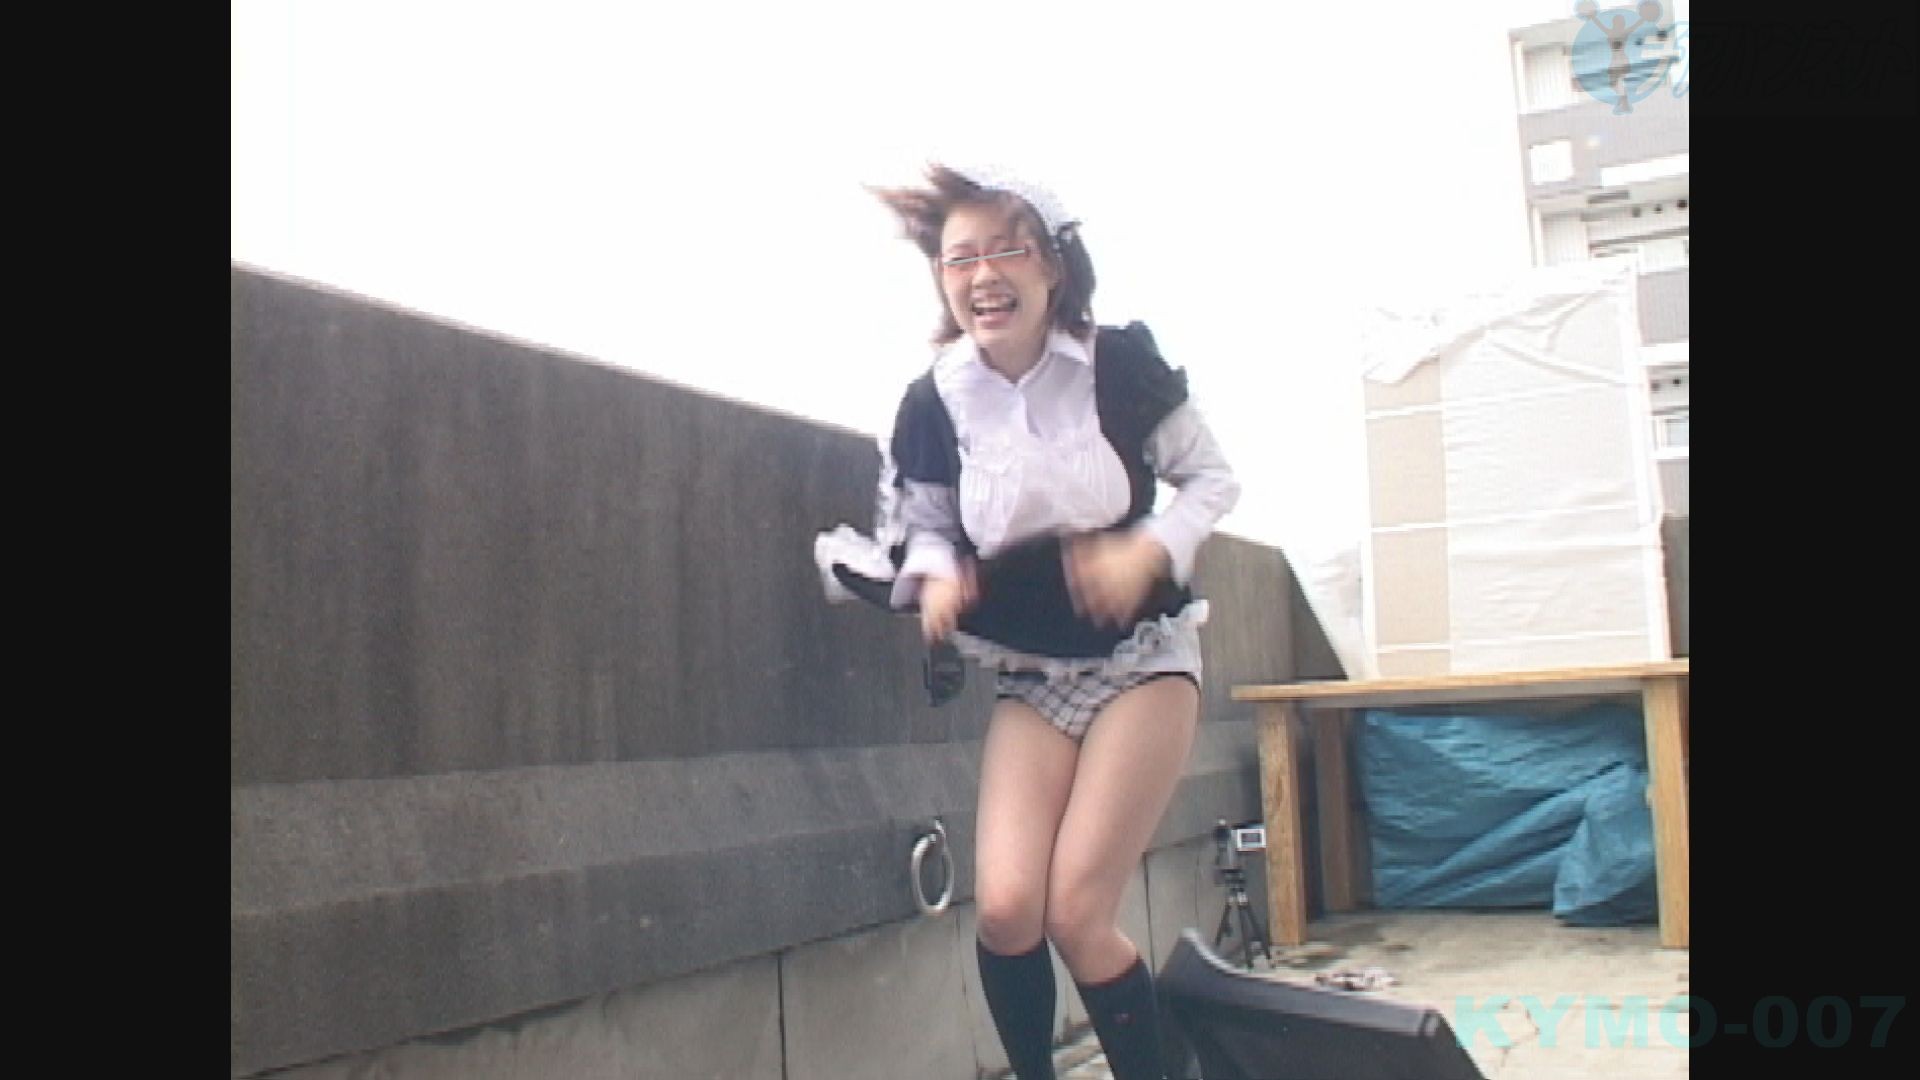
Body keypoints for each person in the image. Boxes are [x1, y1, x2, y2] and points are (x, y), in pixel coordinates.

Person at [819, 163, 1240, 1080]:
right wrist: (936, 580)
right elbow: (926, 526)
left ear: (1052, 266)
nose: (982, 274)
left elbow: (1212, 480)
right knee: (1007, 910)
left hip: (1142, 658)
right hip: (1032, 674)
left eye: (1007, 250)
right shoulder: (935, 400)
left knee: (1076, 913)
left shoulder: (1117, 365)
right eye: (959, 257)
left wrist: (1148, 550)